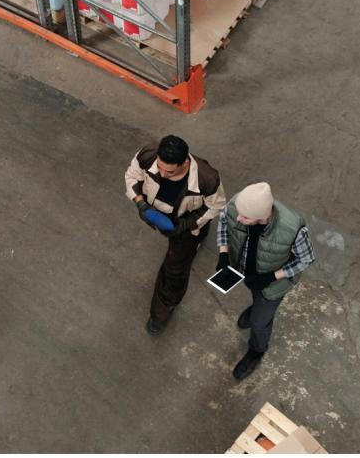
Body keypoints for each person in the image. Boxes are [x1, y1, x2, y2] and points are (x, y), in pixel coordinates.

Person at [125, 135, 226, 335]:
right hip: (156, 212)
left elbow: (215, 206)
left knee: (174, 270)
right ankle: (199, 234)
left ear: (185, 163)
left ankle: (162, 311)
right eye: (159, 167)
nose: (162, 174)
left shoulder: (207, 179)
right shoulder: (148, 155)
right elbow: (132, 176)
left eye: (169, 171)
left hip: (185, 224)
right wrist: (140, 203)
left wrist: (185, 225)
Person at [216, 182, 316, 380]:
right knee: (256, 296)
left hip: (272, 285)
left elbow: (307, 259)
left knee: (260, 324)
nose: (239, 218)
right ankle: (256, 307)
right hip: (249, 274)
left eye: (245, 217)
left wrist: (271, 277)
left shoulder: (292, 229)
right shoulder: (239, 204)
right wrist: (224, 254)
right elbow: (224, 221)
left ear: (262, 216)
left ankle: (256, 351)